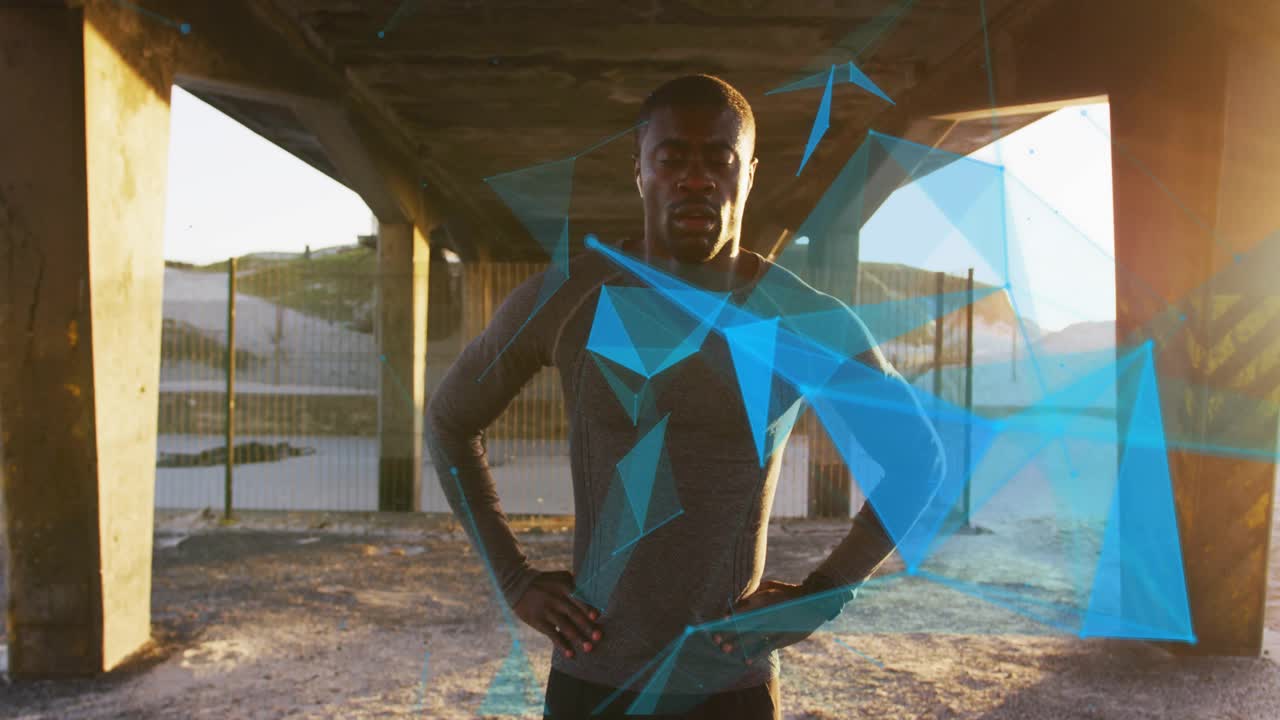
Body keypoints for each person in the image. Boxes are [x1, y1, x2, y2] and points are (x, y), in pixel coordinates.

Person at [427, 74, 944, 719]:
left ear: (749, 176)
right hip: (593, 682)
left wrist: (824, 594)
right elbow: (449, 422)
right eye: (671, 160)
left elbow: (919, 459)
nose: (696, 180)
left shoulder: (801, 319)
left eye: (720, 161)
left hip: (730, 690)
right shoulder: (569, 299)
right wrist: (513, 578)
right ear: (640, 171)